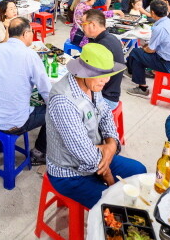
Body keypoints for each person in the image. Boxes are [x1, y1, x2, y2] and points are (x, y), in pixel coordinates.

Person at [45, 43, 146, 209]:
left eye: (108, 75)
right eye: (101, 76)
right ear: (84, 72)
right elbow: (86, 155)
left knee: (139, 170)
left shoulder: (92, 85)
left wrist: (111, 144)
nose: (106, 81)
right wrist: (109, 179)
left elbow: (106, 115)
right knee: (115, 207)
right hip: (70, 173)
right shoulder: (63, 101)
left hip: (96, 155)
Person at [0, 17, 50, 164]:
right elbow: (45, 90)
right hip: (15, 123)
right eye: (31, 32)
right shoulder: (30, 56)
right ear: (25, 34)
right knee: (53, 111)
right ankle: (39, 152)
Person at [126, 0, 170, 98]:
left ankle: (142, 87)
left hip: (168, 64)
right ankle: (133, 72)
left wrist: (145, 48)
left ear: (153, 13)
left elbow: (151, 50)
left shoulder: (160, 28)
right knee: (139, 55)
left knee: (136, 52)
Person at [80, 9, 127, 111]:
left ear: (93, 25)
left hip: (105, 98)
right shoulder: (111, 37)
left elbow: (89, 76)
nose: (82, 28)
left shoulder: (102, 46)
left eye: (83, 24)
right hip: (111, 93)